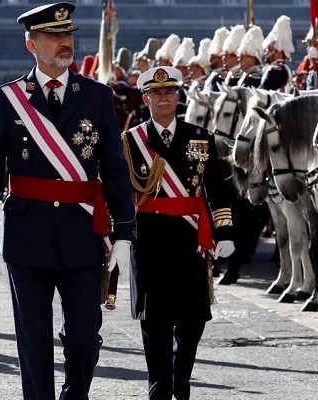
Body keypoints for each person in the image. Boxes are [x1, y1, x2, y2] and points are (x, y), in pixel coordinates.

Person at [0, 3, 136, 399]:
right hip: (27, 235)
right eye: (54, 36)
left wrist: (126, 234)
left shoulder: (96, 96)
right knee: (33, 343)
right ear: (32, 44)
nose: (65, 42)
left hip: (82, 234)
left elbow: (114, 167)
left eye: (68, 34)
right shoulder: (9, 98)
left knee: (83, 337)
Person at [123, 66, 235, 400]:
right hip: (149, 241)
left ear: (178, 97)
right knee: (154, 321)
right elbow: (120, 193)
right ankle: (158, 385)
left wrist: (224, 231)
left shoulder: (201, 137)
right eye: (156, 93)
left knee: (192, 320)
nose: (163, 98)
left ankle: (180, 379)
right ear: (146, 99)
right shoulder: (131, 141)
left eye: (169, 92)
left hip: (191, 241)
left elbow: (216, 188)